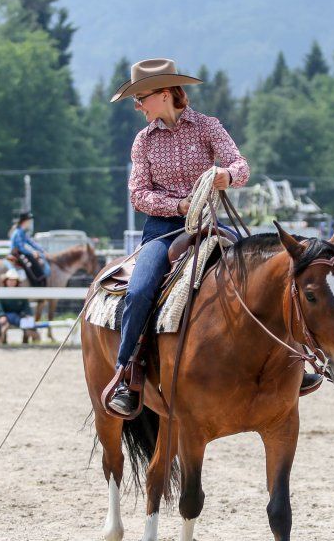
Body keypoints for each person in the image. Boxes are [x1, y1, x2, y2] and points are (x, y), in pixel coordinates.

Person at [103, 58, 253, 416]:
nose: (138, 106)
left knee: (262, 271)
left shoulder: (207, 127)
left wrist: (225, 176)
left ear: (166, 93)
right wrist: (180, 204)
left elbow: (240, 165)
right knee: (139, 291)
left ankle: (290, 358)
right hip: (162, 230)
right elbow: (138, 194)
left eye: (142, 98)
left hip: (211, 223)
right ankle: (127, 373)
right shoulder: (143, 141)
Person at [0, 269, 38, 344]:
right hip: (6, 316)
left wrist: (27, 314)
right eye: (10, 280)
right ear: (6, 281)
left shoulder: (21, 293)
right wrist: (1, 315)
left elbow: (26, 306)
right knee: (2, 325)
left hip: (19, 316)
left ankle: (26, 341)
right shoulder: (1, 293)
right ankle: (2, 340)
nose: (12, 282)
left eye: (14, 280)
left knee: (28, 323)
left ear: (17, 281)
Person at [10, 212, 49, 286]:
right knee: (30, 263)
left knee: (34, 259)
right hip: (17, 253)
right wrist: (32, 253)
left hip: (20, 252)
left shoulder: (22, 232)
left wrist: (42, 251)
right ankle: (36, 282)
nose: (30, 223)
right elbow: (20, 247)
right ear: (25, 222)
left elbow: (31, 243)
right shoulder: (18, 232)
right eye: (29, 221)